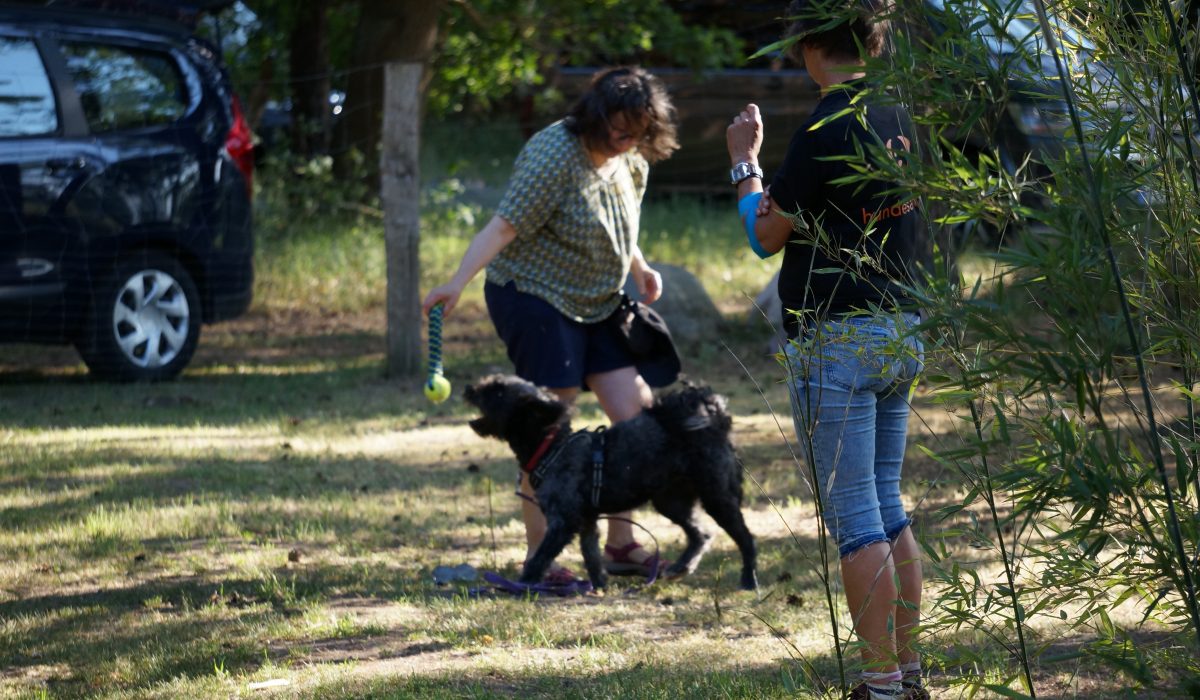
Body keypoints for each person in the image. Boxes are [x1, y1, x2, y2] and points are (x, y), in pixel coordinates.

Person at [725, 2, 928, 699]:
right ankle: (907, 674)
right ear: (873, 39)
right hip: (902, 328)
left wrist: (744, 168)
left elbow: (765, 235)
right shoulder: (900, 118)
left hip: (836, 338)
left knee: (857, 521)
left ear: (811, 46)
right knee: (887, 505)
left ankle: (879, 685)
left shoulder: (825, 126)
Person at [423, 66, 680, 583]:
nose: (623, 137)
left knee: (636, 417)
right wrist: (456, 281)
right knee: (549, 426)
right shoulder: (553, 155)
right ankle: (540, 558)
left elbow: (616, 223)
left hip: (599, 302)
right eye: (616, 125)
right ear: (596, 114)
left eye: (635, 128)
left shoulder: (632, 160)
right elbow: (503, 226)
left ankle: (621, 545)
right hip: (534, 295)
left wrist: (640, 266)